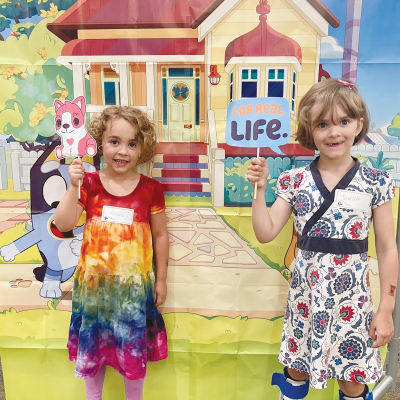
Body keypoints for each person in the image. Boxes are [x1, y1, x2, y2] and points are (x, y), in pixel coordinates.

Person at [246, 78, 398, 400]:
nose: (334, 132)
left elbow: (386, 248)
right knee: (296, 371)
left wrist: (386, 309)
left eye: (343, 121)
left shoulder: (376, 183)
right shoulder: (294, 180)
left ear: (359, 124)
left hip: (352, 304)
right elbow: (265, 232)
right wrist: (259, 191)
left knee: (352, 380)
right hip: (305, 300)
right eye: (323, 124)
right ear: (309, 129)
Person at [54, 106, 169, 400]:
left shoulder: (151, 189)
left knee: (132, 357)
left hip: (133, 293)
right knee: (93, 354)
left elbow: (159, 234)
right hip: (95, 291)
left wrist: (162, 280)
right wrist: (72, 185)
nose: (123, 151)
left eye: (132, 143)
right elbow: (64, 223)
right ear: (100, 142)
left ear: (142, 148)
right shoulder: (88, 185)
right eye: (114, 141)